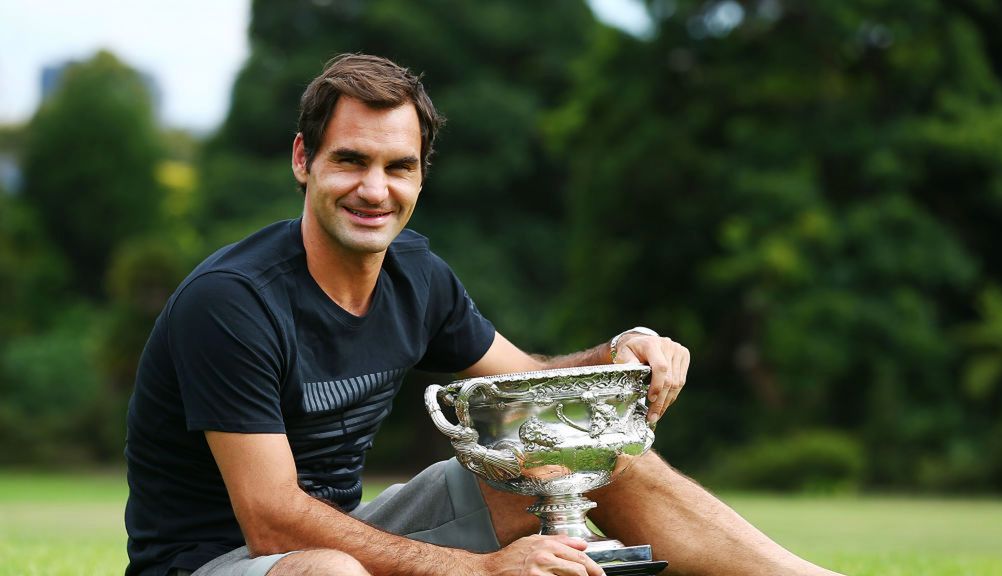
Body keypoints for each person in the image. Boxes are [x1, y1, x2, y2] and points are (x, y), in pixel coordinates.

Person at [124, 53, 842, 576]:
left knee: (576, 438)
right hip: (219, 562)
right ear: (302, 161)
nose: (374, 189)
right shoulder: (232, 302)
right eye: (350, 161)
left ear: (422, 174)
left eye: (398, 166)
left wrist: (622, 353)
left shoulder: (417, 275)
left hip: (336, 533)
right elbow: (272, 520)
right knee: (331, 575)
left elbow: (529, 387)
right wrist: (479, 571)